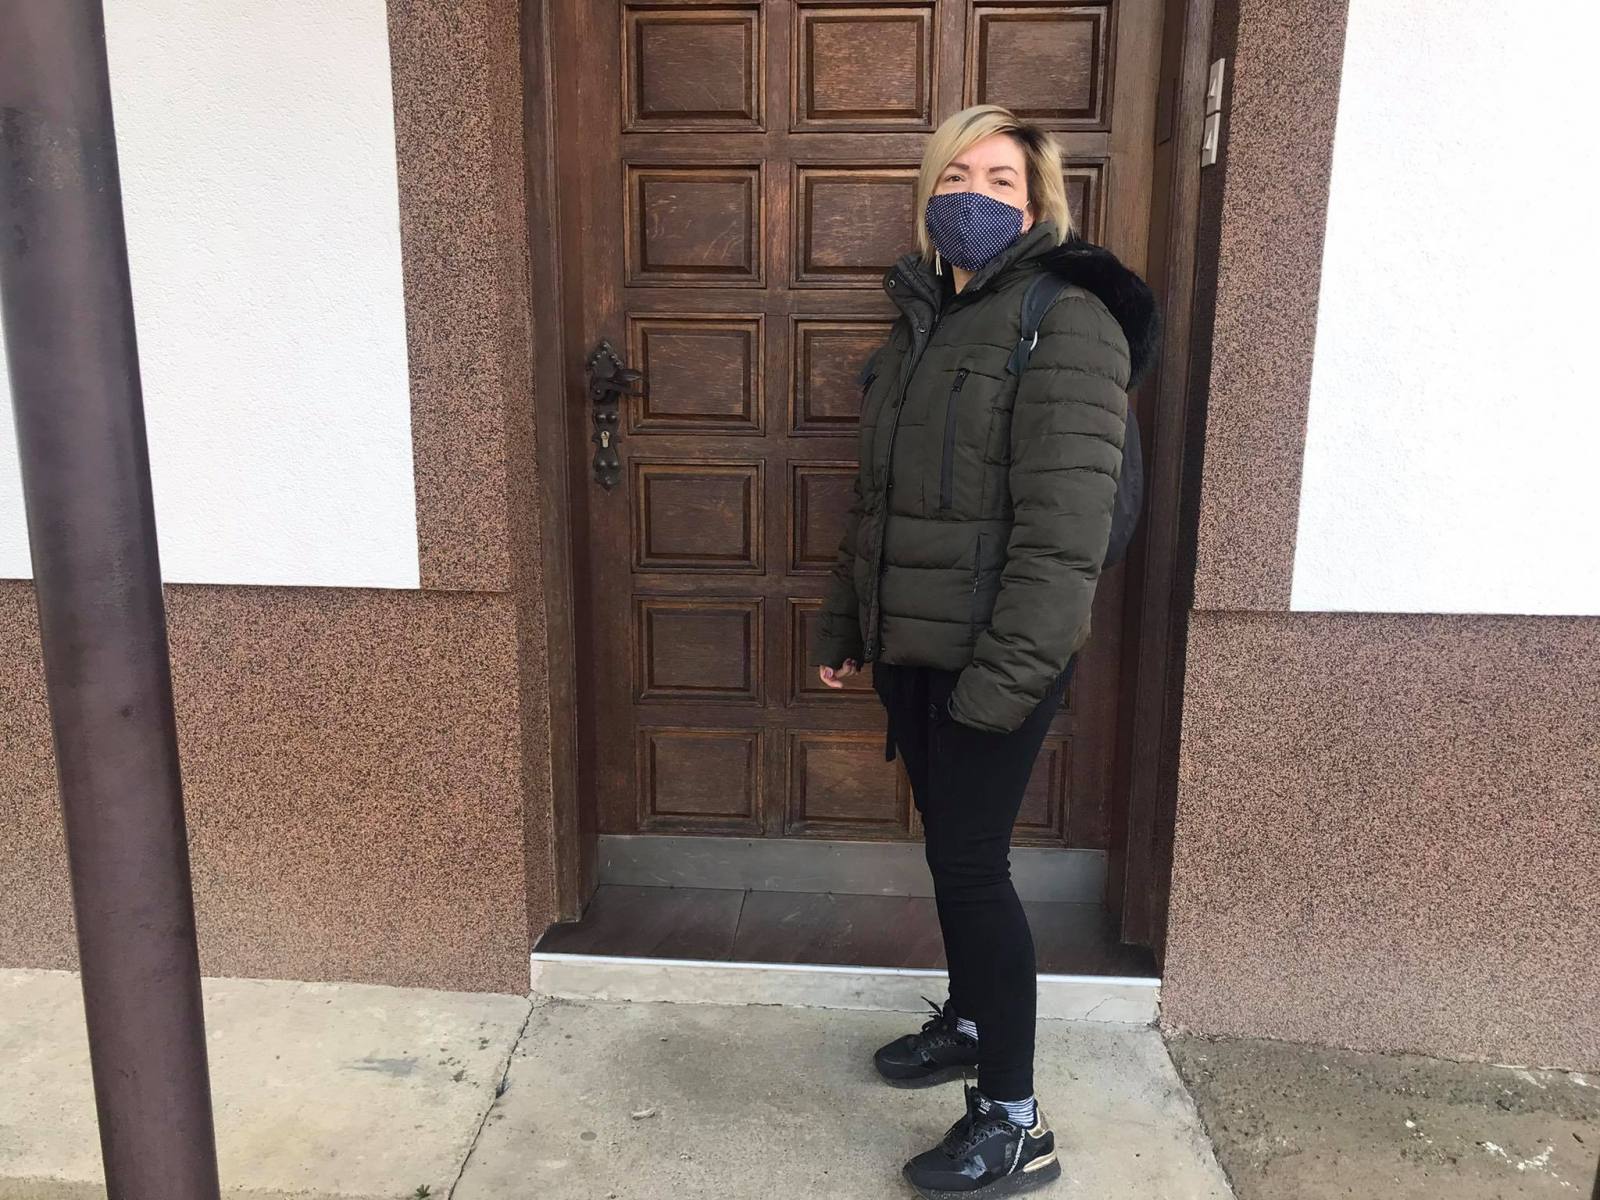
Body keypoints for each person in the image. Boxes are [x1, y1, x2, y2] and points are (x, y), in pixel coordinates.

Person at [809, 103, 1157, 1198]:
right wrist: (845, 625)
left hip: (996, 657)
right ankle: (970, 1021)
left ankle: (1015, 1122)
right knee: (952, 857)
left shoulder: (1067, 320)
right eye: (956, 175)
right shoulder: (922, 321)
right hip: (913, 645)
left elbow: (1065, 532)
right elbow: (877, 504)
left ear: (1039, 203)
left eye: (1001, 179)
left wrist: (1006, 680)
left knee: (971, 867)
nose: (973, 194)